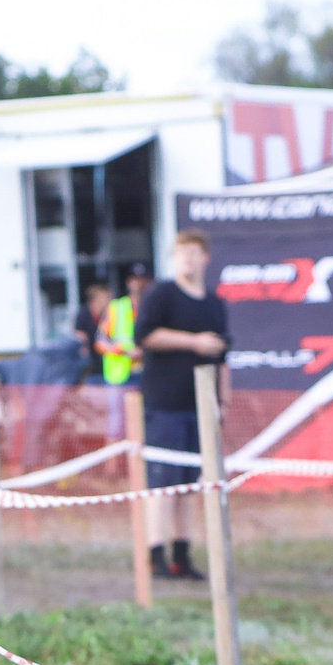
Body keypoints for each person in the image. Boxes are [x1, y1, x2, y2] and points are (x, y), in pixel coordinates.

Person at [138, 231, 229, 581]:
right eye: (180, 252)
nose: (187, 258)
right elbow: (144, 335)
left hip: (200, 407)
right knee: (163, 482)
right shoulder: (161, 294)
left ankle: (181, 554)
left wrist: (222, 402)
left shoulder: (214, 304)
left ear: (205, 257)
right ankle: (155, 555)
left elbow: (223, 356)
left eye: (193, 252)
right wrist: (193, 342)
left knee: (190, 485)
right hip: (165, 403)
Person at [100, 263, 149, 391]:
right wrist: (124, 352)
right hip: (120, 376)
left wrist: (144, 352)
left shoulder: (155, 308)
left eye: (142, 279)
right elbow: (101, 342)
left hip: (149, 373)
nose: (139, 284)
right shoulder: (116, 307)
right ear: (128, 282)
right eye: (135, 279)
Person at [73, 284, 110, 383]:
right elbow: (80, 339)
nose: (108, 301)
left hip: (108, 364)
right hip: (92, 366)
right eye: (105, 298)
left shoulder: (110, 315)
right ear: (95, 300)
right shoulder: (83, 315)